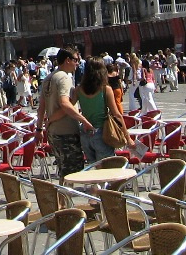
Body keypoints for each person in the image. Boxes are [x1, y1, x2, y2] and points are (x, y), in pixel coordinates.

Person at [36, 47, 91, 180]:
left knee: (63, 170)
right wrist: (84, 120)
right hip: (66, 131)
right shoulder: (64, 78)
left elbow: (41, 107)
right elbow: (64, 103)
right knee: (72, 173)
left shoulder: (49, 78)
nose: (77, 63)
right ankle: (64, 200)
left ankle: (61, 200)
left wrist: (39, 129)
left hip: (53, 132)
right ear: (67, 60)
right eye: (76, 60)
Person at [72, 58, 127, 163]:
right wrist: (127, 137)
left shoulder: (79, 89)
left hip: (85, 132)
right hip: (102, 132)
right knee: (106, 168)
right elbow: (117, 114)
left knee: (93, 168)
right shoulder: (105, 89)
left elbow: (69, 107)